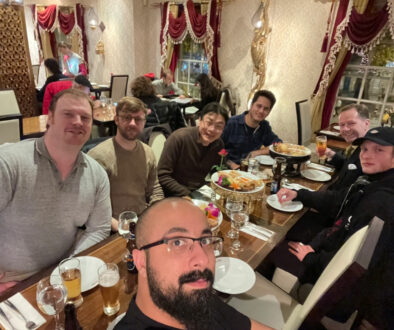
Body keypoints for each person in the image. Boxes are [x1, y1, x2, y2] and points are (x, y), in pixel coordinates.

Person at [0, 89, 111, 293]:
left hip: (64, 273)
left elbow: (99, 228)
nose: (78, 121)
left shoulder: (97, 175)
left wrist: (71, 264)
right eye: (68, 114)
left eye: (85, 117)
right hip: (12, 281)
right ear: (49, 118)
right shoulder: (9, 163)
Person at [260, 127, 394, 297]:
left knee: (270, 249)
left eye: (379, 150)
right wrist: (299, 194)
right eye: (365, 149)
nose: (367, 155)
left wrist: (310, 257)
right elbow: (337, 200)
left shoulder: (381, 203)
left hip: (335, 283)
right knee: (294, 228)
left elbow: (355, 259)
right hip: (328, 244)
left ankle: (284, 299)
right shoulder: (373, 182)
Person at [115, 198, 271, 330]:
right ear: (141, 262)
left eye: (205, 241)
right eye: (177, 242)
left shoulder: (196, 298)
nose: (202, 260)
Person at [88, 97, 164, 231]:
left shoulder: (148, 152)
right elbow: (90, 204)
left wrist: (156, 214)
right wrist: (120, 228)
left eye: (138, 119)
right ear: (116, 119)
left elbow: (154, 190)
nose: (133, 123)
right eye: (127, 118)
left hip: (141, 222)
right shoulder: (98, 157)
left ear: (144, 122)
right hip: (111, 228)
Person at [158, 102, 228, 197]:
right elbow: (162, 175)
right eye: (209, 122)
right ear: (199, 120)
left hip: (200, 193)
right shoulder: (179, 138)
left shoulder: (218, 144)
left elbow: (218, 174)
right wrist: (189, 195)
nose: (212, 129)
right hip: (174, 195)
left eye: (218, 126)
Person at [222, 90, 282, 168]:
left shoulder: (264, 126)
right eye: (259, 106)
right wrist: (233, 165)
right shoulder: (231, 123)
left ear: (269, 112)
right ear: (251, 105)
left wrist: (257, 152)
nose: (261, 111)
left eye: (266, 109)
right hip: (228, 171)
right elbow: (216, 149)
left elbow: (278, 144)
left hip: (251, 171)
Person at [324, 103, 370, 191]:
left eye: (351, 123)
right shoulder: (359, 145)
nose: (345, 129)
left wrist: (301, 195)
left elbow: (342, 197)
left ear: (366, 123)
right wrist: (332, 155)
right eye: (342, 125)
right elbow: (349, 168)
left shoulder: (371, 154)